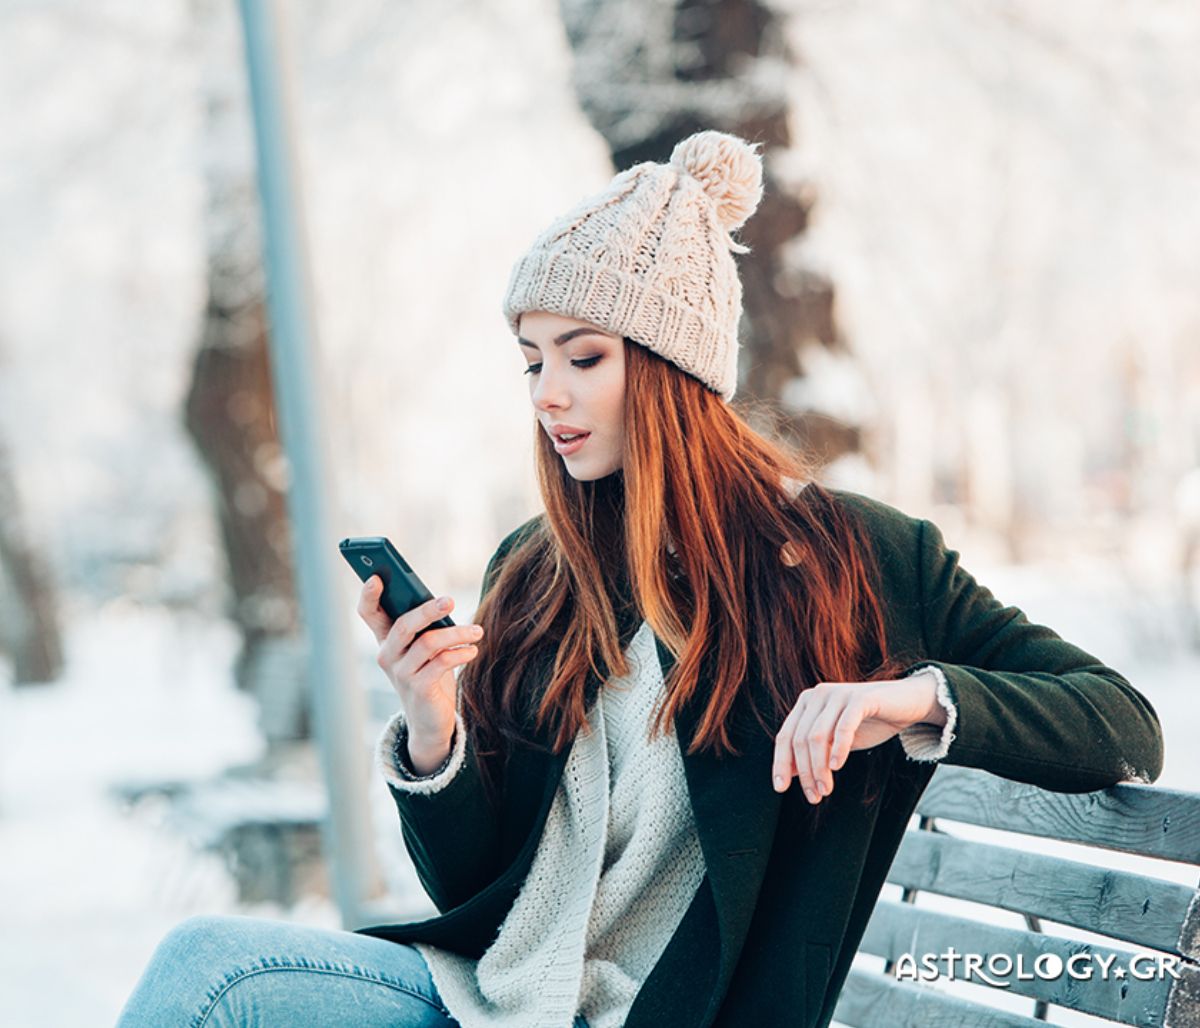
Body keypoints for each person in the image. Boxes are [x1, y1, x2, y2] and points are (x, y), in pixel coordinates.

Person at [117, 130, 1164, 1028]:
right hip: (500, 998)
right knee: (212, 968)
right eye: (532, 361)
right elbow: (481, 889)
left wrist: (906, 699)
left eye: (583, 357)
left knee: (216, 974)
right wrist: (433, 729)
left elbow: (1121, 722)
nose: (548, 394)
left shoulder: (857, 558)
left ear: (672, 367)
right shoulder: (539, 568)